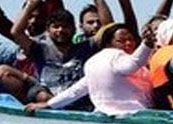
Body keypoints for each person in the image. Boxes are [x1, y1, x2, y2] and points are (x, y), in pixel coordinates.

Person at [3, 0, 108, 105]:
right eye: (56, 26)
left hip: (78, 99)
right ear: (48, 30)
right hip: (47, 99)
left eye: (65, 27)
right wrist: (31, 4)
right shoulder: (40, 49)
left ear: (74, 29)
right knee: (40, 95)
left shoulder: (86, 47)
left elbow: (107, 29)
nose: (61, 30)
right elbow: (16, 32)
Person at [25, 22, 156, 116]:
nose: (128, 43)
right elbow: (133, 64)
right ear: (109, 44)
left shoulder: (92, 62)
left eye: (131, 39)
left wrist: (49, 104)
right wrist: (147, 45)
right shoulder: (114, 55)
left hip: (103, 117)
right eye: (121, 40)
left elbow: (76, 90)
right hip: (131, 116)